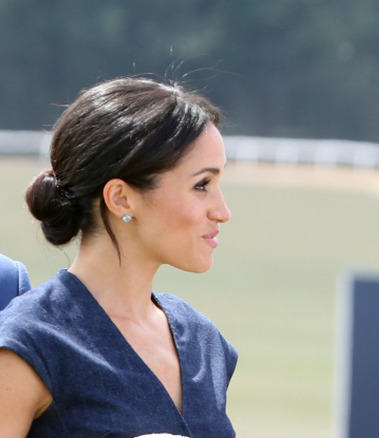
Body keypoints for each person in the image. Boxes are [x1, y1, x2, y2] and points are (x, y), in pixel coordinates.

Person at [0, 77, 237, 437]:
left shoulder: (203, 341)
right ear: (121, 198)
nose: (222, 211)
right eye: (201, 185)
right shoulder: (30, 344)